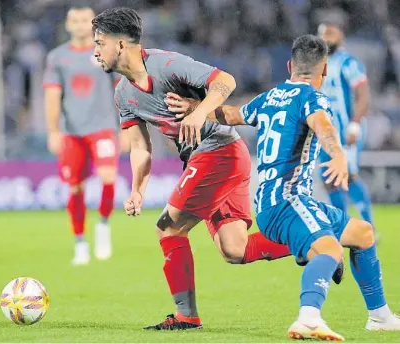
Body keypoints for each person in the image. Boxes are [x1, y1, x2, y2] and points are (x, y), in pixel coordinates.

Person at [168, 34, 400, 340]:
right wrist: (339, 155)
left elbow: (232, 114)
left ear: (290, 65)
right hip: (287, 201)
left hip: (277, 201)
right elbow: (323, 126)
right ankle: (309, 317)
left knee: (362, 234)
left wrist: (197, 108)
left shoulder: (270, 97)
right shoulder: (313, 98)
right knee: (329, 249)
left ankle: (380, 316)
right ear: (325, 70)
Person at [91, 6, 298, 330]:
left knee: (168, 227)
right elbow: (141, 146)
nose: (95, 50)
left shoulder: (167, 65)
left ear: (120, 45)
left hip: (219, 152)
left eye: (99, 42)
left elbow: (225, 81)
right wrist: (137, 190)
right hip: (214, 157)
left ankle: (186, 316)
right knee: (235, 249)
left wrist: (200, 112)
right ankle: (314, 242)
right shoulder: (124, 94)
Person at [43, 5, 121, 265]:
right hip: (72, 132)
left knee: (108, 177)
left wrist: (128, 127)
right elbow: (52, 96)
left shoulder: (106, 51)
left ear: (93, 23)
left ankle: (103, 225)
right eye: (74, 20)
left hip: (103, 128)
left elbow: (121, 90)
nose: (79, 25)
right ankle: (80, 243)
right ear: (67, 24)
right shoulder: (57, 57)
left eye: (84, 20)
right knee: (75, 187)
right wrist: (53, 131)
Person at [318, 20, 376, 234]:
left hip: (345, 128)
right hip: (324, 131)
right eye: (323, 34)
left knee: (348, 176)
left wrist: (354, 124)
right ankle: (341, 227)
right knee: (329, 178)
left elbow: (363, 96)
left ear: (341, 35)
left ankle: (368, 225)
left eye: (330, 33)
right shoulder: (318, 63)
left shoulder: (348, 62)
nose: (326, 37)